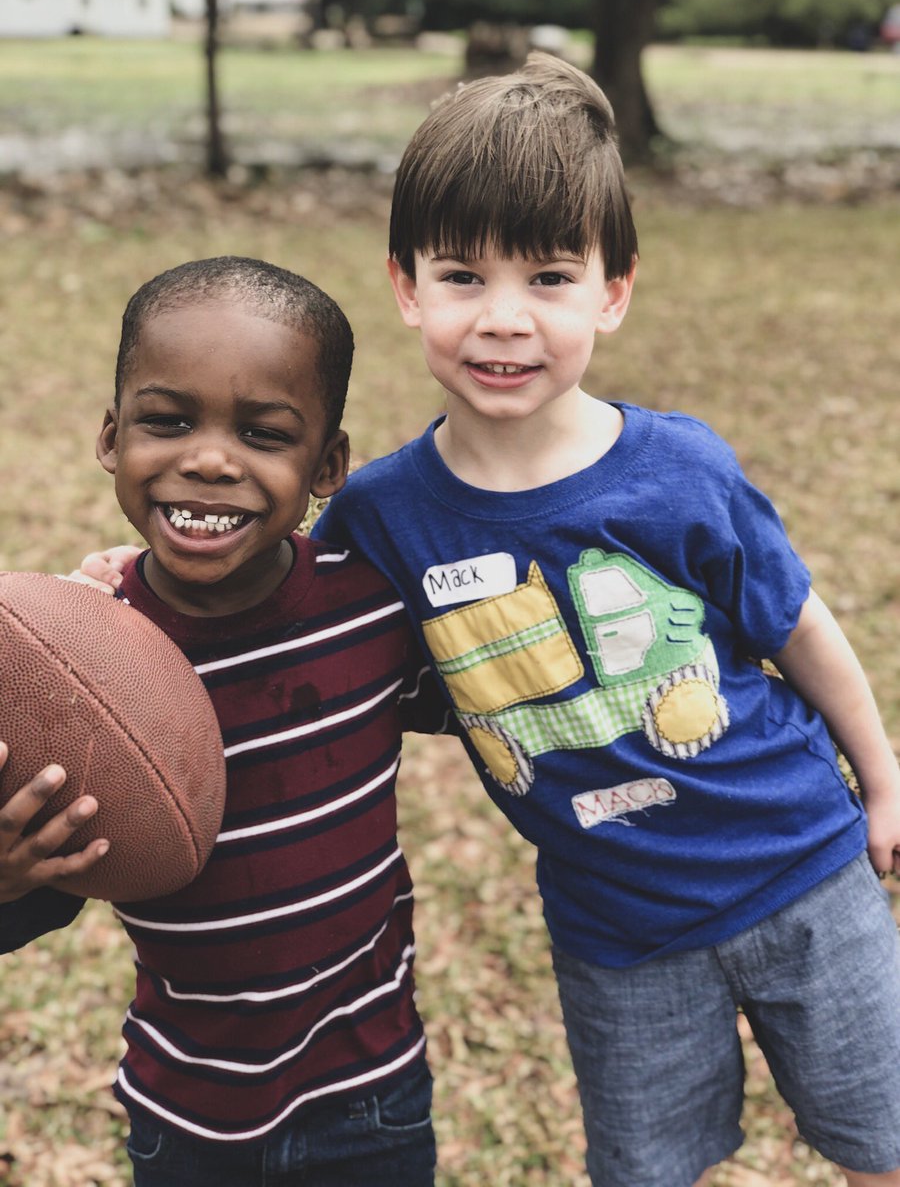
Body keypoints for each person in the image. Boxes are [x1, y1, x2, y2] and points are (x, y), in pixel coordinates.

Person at [73, 57, 900, 1186]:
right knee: (650, 1168)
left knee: (880, 1136)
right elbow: (274, 590)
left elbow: (798, 625)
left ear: (613, 290)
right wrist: (132, 587)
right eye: (462, 275)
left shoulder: (681, 470)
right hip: (615, 924)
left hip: (800, 866)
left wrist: (884, 777)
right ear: (408, 286)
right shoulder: (381, 511)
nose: (503, 319)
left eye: (551, 276)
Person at [0, 256, 451, 1187]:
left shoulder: (371, 613)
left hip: (370, 1089)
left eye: (263, 432)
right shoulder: (80, 668)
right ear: (112, 438)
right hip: (187, 1110)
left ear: (327, 465)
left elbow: (513, 707)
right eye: (167, 421)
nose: (209, 459)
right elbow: (44, 888)